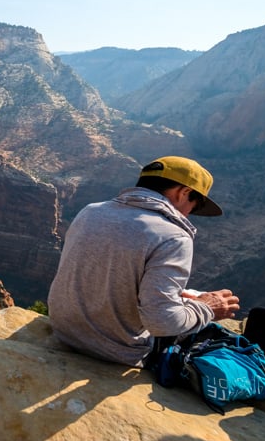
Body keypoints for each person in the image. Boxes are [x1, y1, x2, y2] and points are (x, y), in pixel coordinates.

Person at [47, 155, 240, 368]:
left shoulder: (91, 210)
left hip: (64, 333)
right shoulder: (173, 236)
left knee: (185, 301)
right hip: (116, 351)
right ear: (183, 193)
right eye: (193, 207)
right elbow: (162, 322)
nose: (189, 215)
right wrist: (207, 308)